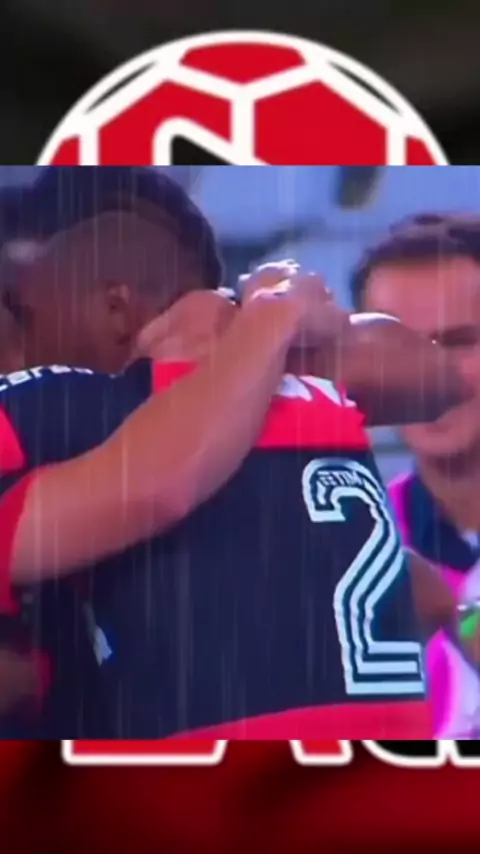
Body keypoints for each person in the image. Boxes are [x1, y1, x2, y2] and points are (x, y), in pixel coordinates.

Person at [0, 169, 469, 738]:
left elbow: (429, 373)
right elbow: (161, 480)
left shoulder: (76, 406)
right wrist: (271, 318)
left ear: (116, 306)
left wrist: (252, 338)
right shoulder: (263, 382)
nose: (18, 351)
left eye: (23, 318)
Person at [350, 212, 480, 737]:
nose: (427, 375)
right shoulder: (344, 553)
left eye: (458, 342)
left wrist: (458, 616)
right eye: (397, 346)